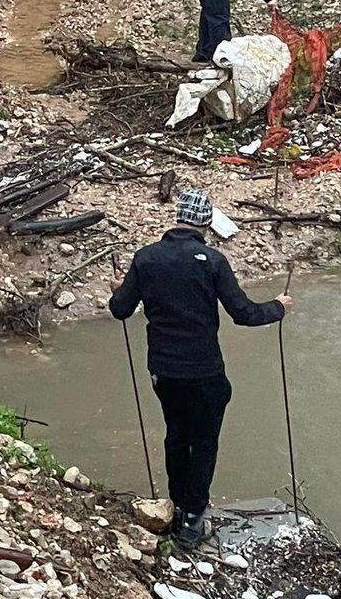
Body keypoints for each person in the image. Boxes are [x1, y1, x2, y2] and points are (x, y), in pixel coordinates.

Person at [109, 189, 292, 548]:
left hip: (164, 371)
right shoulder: (212, 261)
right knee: (204, 441)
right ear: (206, 223)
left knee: (176, 435)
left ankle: (177, 508)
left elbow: (120, 310)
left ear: (177, 218)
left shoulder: (146, 258)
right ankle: (193, 519)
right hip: (204, 371)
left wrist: (119, 290)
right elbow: (244, 314)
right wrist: (278, 307)